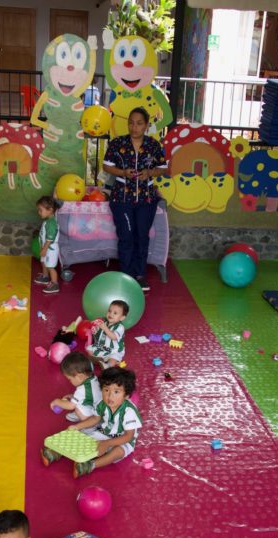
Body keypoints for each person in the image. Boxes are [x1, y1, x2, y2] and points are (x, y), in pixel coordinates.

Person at [102, 107, 167, 291]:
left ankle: (140, 275)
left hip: (146, 199)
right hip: (122, 199)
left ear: (146, 125)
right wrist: (123, 172)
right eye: (131, 122)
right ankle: (126, 275)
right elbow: (107, 167)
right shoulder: (117, 143)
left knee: (142, 236)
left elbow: (162, 168)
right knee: (126, 237)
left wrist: (150, 173)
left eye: (139, 123)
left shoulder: (154, 145)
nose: (134, 127)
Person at [65, 366, 141, 478]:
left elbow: (128, 437)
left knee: (117, 452)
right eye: (106, 390)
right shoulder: (102, 403)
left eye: (116, 392)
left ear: (126, 395)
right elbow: (95, 419)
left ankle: (90, 465)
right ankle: (56, 453)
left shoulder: (129, 411)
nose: (110, 396)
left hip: (123, 440)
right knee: (82, 436)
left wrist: (107, 444)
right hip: (104, 433)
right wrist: (77, 426)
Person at [49, 352, 101, 425]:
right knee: (78, 402)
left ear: (80, 376)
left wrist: (57, 401)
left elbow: (70, 406)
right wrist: (73, 396)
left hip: (94, 417)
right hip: (101, 410)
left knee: (77, 408)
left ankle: (88, 425)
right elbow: (88, 395)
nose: (69, 381)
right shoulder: (93, 378)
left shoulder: (81, 390)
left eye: (70, 379)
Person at [33, 196, 61, 294]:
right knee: (43, 262)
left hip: (50, 249)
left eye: (41, 210)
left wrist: (44, 249)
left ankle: (54, 284)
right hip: (45, 248)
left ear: (50, 210)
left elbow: (50, 238)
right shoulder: (47, 221)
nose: (39, 212)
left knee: (51, 267)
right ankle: (45, 277)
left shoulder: (52, 223)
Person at [87, 300, 127, 368]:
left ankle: (107, 366)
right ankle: (97, 359)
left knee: (113, 359)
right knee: (89, 349)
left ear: (122, 317)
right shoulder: (104, 322)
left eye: (115, 313)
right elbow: (98, 335)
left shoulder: (120, 327)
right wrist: (95, 330)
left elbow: (114, 337)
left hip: (113, 350)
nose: (111, 314)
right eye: (109, 311)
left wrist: (105, 328)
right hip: (101, 346)